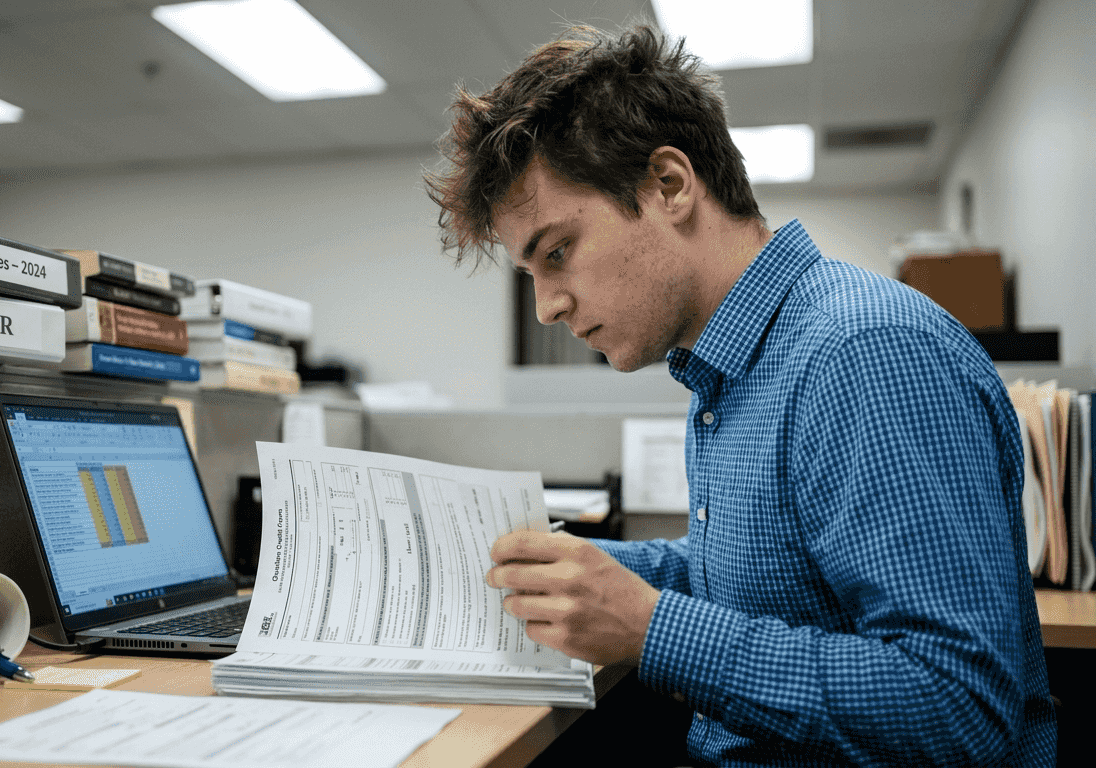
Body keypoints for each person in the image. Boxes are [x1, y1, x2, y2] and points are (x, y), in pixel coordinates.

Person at [424, 23, 1057, 767]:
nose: (546, 307)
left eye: (558, 251)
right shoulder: (733, 365)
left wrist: (652, 630)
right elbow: (760, 578)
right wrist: (573, 572)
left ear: (669, 185)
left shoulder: (862, 354)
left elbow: (956, 705)